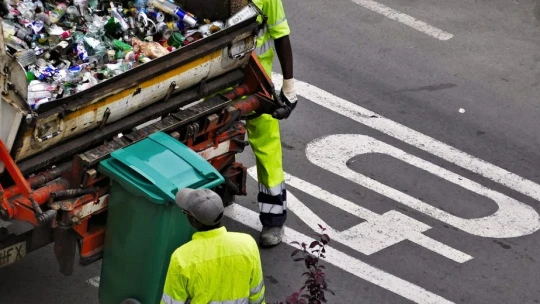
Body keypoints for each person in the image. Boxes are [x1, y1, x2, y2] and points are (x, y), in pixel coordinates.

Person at [161, 188, 266, 304]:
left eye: (185, 212)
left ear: (195, 221)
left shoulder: (181, 258)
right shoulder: (248, 244)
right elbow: (257, 293)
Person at [249, 0, 297, 247]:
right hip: (217, 77)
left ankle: (274, 221)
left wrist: (288, 87)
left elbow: (281, 35)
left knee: (267, 151)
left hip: (255, 81)